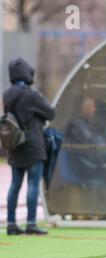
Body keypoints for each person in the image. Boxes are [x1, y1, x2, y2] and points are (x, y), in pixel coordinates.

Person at [3, 58, 55, 235]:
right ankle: (31, 223)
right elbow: (50, 113)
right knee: (33, 183)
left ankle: (11, 223)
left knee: (15, 183)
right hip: (33, 145)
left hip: (15, 144)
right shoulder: (32, 95)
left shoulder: (7, 94)